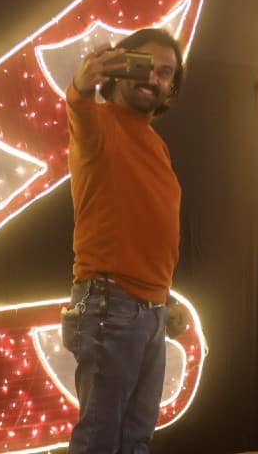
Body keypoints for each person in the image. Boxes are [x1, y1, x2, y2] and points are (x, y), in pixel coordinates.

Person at [62, 28, 192, 452]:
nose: (152, 78)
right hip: (110, 307)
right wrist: (84, 82)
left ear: (172, 87)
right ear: (120, 68)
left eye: (165, 73)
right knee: (100, 443)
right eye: (143, 65)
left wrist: (164, 301)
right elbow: (79, 105)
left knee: (136, 441)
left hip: (148, 311)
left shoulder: (155, 143)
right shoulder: (99, 123)